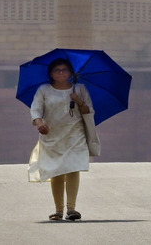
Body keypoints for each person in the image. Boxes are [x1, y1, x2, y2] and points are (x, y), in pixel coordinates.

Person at [28, 58, 95, 221]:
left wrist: (78, 100)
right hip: (51, 135)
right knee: (56, 171)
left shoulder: (80, 89)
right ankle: (58, 210)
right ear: (51, 73)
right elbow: (35, 109)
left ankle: (71, 209)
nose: (61, 73)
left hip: (75, 133)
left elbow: (88, 110)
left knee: (73, 167)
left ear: (71, 73)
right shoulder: (43, 90)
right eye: (57, 70)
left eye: (64, 70)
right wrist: (39, 123)